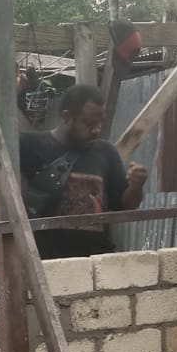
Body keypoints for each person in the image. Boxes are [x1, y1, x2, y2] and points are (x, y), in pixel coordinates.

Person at [19, 84, 149, 260]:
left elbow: (125, 205)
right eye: (89, 124)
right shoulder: (30, 146)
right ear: (66, 117)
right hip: (49, 262)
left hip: (97, 262)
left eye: (100, 124)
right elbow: (9, 201)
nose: (96, 130)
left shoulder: (106, 153)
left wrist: (136, 186)